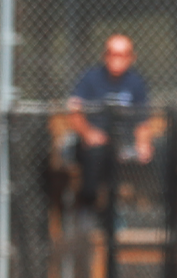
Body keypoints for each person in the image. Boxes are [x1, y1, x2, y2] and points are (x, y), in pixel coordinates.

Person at [66, 34, 153, 209]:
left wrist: (143, 143)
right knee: (95, 155)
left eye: (123, 54)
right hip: (95, 142)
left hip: (125, 142)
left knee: (162, 152)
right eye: (112, 54)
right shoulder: (90, 78)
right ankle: (88, 207)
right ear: (105, 56)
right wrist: (88, 133)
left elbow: (143, 120)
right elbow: (74, 111)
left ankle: (149, 210)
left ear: (131, 58)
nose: (117, 59)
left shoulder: (136, 82)